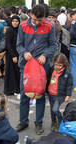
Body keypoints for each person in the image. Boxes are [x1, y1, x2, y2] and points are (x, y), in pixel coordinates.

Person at [16, 4, 57, 134]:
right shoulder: (23, 26)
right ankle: (23, 121)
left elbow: (53, 46)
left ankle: (38, 123)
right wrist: (24, 52)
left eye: (40, 20)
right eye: (34, 19)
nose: (37, 22)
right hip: (26, 66)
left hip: (41, 66)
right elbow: (19, 45)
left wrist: (45, 55)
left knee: (39, 95)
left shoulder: (49, 25)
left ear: (44, 17)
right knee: (24, 94)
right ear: (30, 14)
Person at [47, 54, 72, 132]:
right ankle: (53, 122)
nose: (57, 67)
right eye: (56, 64)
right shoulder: (51, 70)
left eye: (59, 65)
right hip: (51, 94)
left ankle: (61, 121)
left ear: (64, 64)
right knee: (52, 109)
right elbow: (47, 80)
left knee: (55, 109)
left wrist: (68, 95)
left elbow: (69, 85)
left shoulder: (67, 73)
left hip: (60, 95)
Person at [4, 16, 21, 96]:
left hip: (19, 54)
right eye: (13, 21)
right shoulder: (9, 30)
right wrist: (13, 55)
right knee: (12, 72)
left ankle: (17, 88)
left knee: (17, 72)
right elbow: (8, 44)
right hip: (11, 55)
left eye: (17, 21)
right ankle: (12, 89)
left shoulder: (20, 30)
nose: (15, 23)